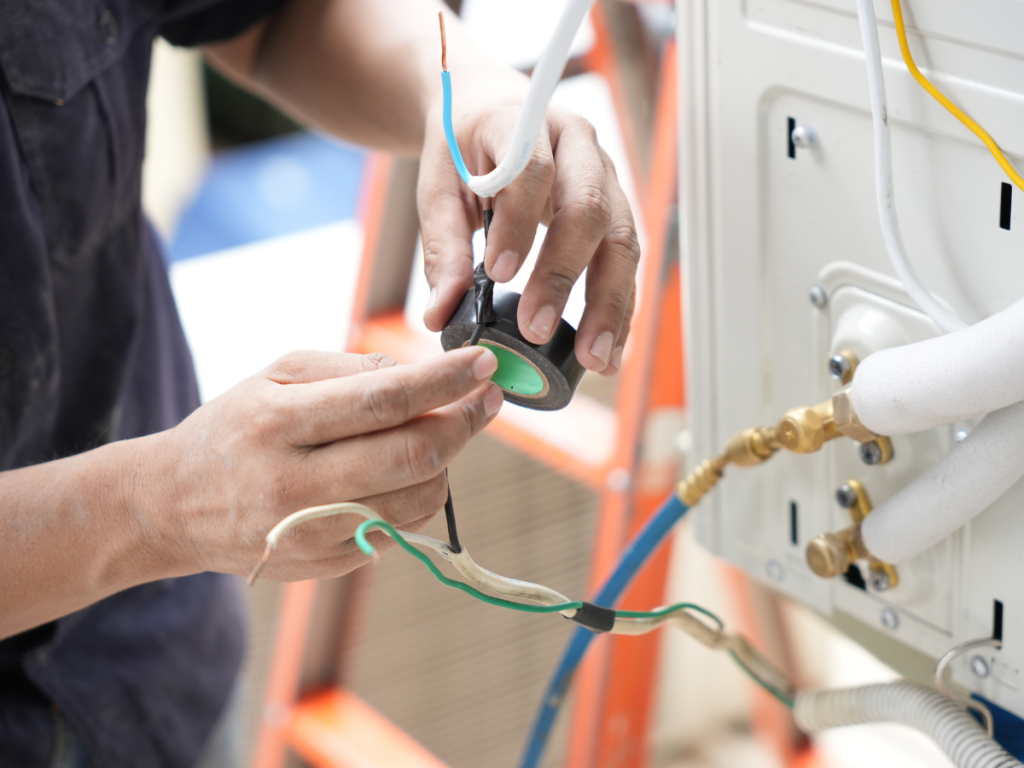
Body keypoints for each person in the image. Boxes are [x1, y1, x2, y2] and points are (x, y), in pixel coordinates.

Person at [0, 1, 640, 766]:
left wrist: (467, 94)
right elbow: (159, 509)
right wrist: (152, 508)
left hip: (159, 668)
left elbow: (270, 19)